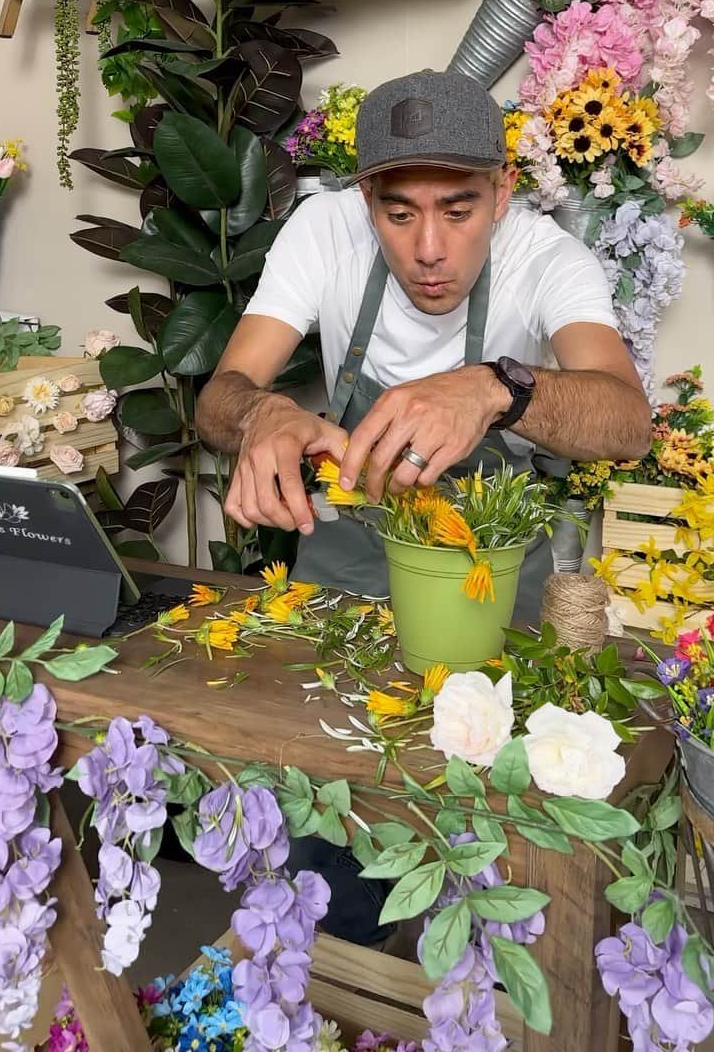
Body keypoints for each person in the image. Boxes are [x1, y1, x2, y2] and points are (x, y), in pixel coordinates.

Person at [195, 68, 652, 943]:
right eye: (400, 214)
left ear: (504, 191)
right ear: (366, 199)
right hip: (344, 593)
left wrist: (496, 387)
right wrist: (263, 414)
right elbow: (222, 394)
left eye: (460, 208)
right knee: (324, 858)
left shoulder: (544, 257)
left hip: (495, 600)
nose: (430, 248)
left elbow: (627, 418)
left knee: (505, 870)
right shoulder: (322, 232)